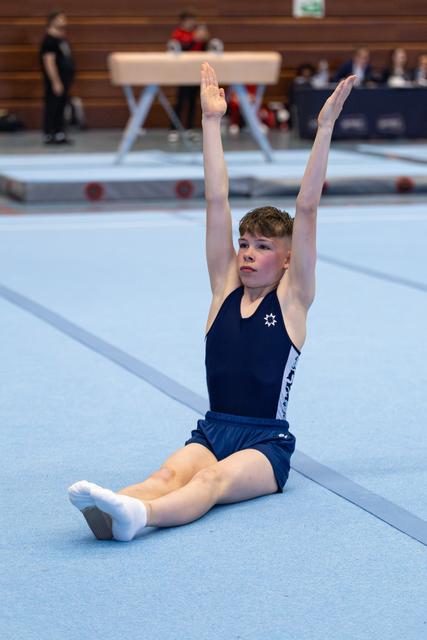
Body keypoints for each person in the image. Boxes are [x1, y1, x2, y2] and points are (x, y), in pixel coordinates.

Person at [68, 64, 356, 542]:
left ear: (287, 260)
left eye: (263, 247)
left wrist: (323, 127)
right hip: (213, 430)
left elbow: (307, 206)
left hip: (265, 446)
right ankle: (114, 506)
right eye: (245, 243)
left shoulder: (294, 299)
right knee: (164, 477)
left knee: (210, 481)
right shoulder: (224, 290)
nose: (247, 253)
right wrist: (209, 121)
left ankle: (141, 518)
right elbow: (215, 199)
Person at [168, 9, 209, 143]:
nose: (192, 23)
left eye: (193, 21)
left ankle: (190, 128)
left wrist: (204, 40)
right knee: (180, 101)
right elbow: (181, 50)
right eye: (190, 20)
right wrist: (194, 39)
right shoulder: (178, 34)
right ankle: (173, 128)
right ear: (183, 21)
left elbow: (204, 51)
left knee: (193, 101)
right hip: (182, 72)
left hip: (195, 72)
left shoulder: (196, 33)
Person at [39, 9, 75, 144]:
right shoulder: (49, 41)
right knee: (52, 106)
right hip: (55, 80)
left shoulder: (60, 39)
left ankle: (59, 133)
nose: (64, 21)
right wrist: (55, 81)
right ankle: (50, 134)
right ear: (52, 21)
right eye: (61, 19)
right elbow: (49, 63)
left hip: (64, 80)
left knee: (61, 106)